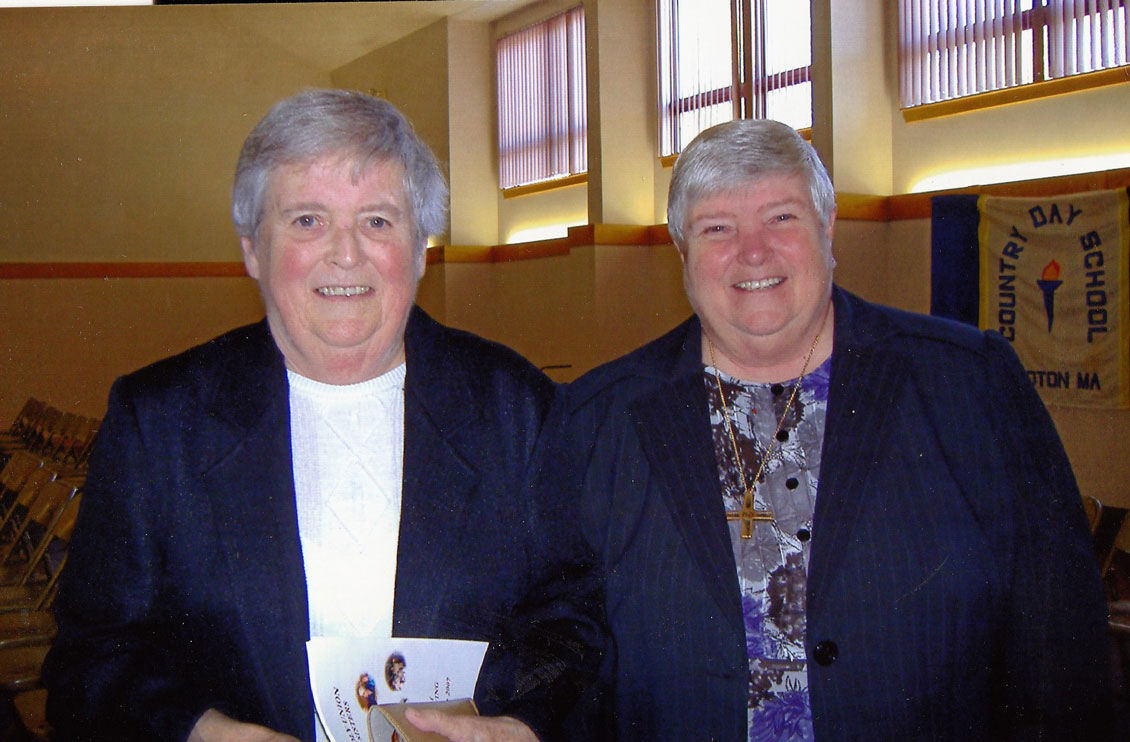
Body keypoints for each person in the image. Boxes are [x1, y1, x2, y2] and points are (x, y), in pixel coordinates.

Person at [42, 89, 601, 742]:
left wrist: (523, 725)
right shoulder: (162, 422)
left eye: (378, 221)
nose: (345, 253)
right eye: (308, 220)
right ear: (253, 247)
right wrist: (203, 731)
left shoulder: (516, 408)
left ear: (421, 248)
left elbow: (577, 622)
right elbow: (91, 658)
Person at [561, 119, 1112, 740]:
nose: (753, 251)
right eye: (716, 227)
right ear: (683, 255)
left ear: (828, 231)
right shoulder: (596, 420)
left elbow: (1061, 639)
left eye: (782, 218)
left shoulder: (970, 385)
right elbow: (562, 636)